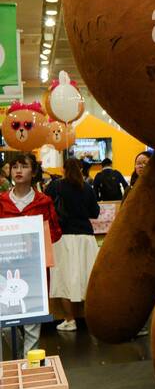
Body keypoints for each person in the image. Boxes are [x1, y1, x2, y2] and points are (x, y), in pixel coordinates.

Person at [0, 153, 62, 357]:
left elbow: (55, 232)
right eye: (14, 166)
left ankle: (30, 367)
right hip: (5, 271)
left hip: (35, 270)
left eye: (24, 166)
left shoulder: (43, 201)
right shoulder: (1, 202)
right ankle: (19, 356)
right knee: (5, 322)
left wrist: (36, 238)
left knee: (33, 322)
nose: (18, 170)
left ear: (33, 171)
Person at [48, 157, 101, 332]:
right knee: (89, 278)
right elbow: (95, 213)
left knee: (63, 278)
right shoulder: (87, 187)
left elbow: (46, 206)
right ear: (81, 169)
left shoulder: (55, 186)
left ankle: (69, 320)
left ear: (63, 169)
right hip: (86, 237)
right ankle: (94, 319)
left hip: (63, 237)